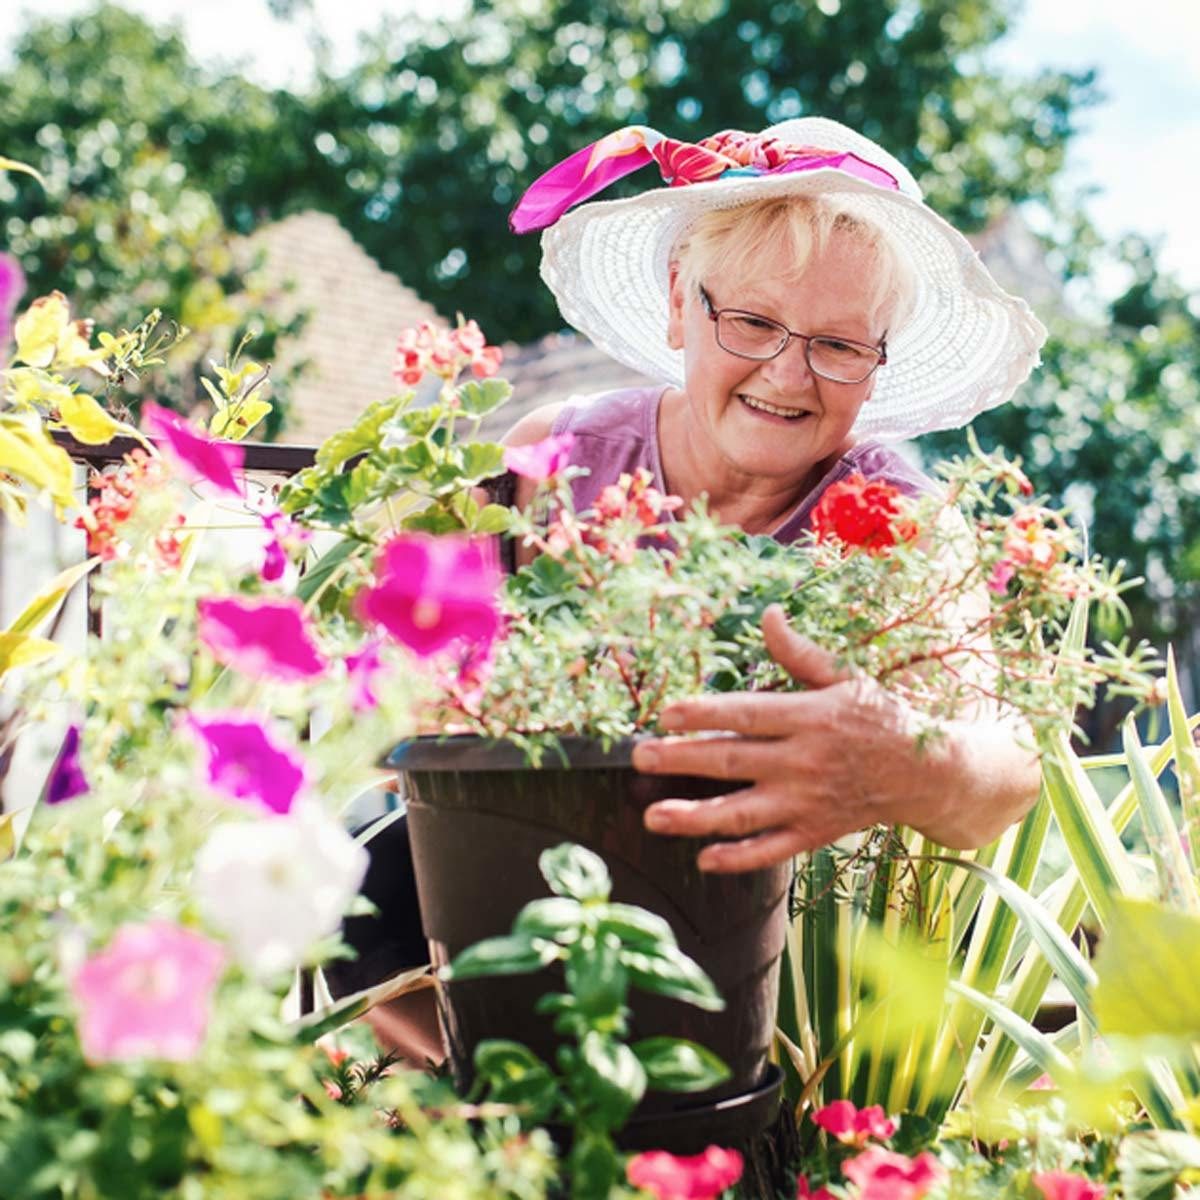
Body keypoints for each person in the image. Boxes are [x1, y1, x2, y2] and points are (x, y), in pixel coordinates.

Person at [330, 116, 1045, 1045]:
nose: (788, 374)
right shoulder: (555, 457)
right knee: (351, 873)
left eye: (839, 345)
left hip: (775, 979)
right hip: (533, 908)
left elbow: (1004, 777)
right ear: (679, 302)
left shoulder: (900, 522)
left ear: (878, 363)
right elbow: (406, 683)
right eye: (751, 321)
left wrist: (896, 752)